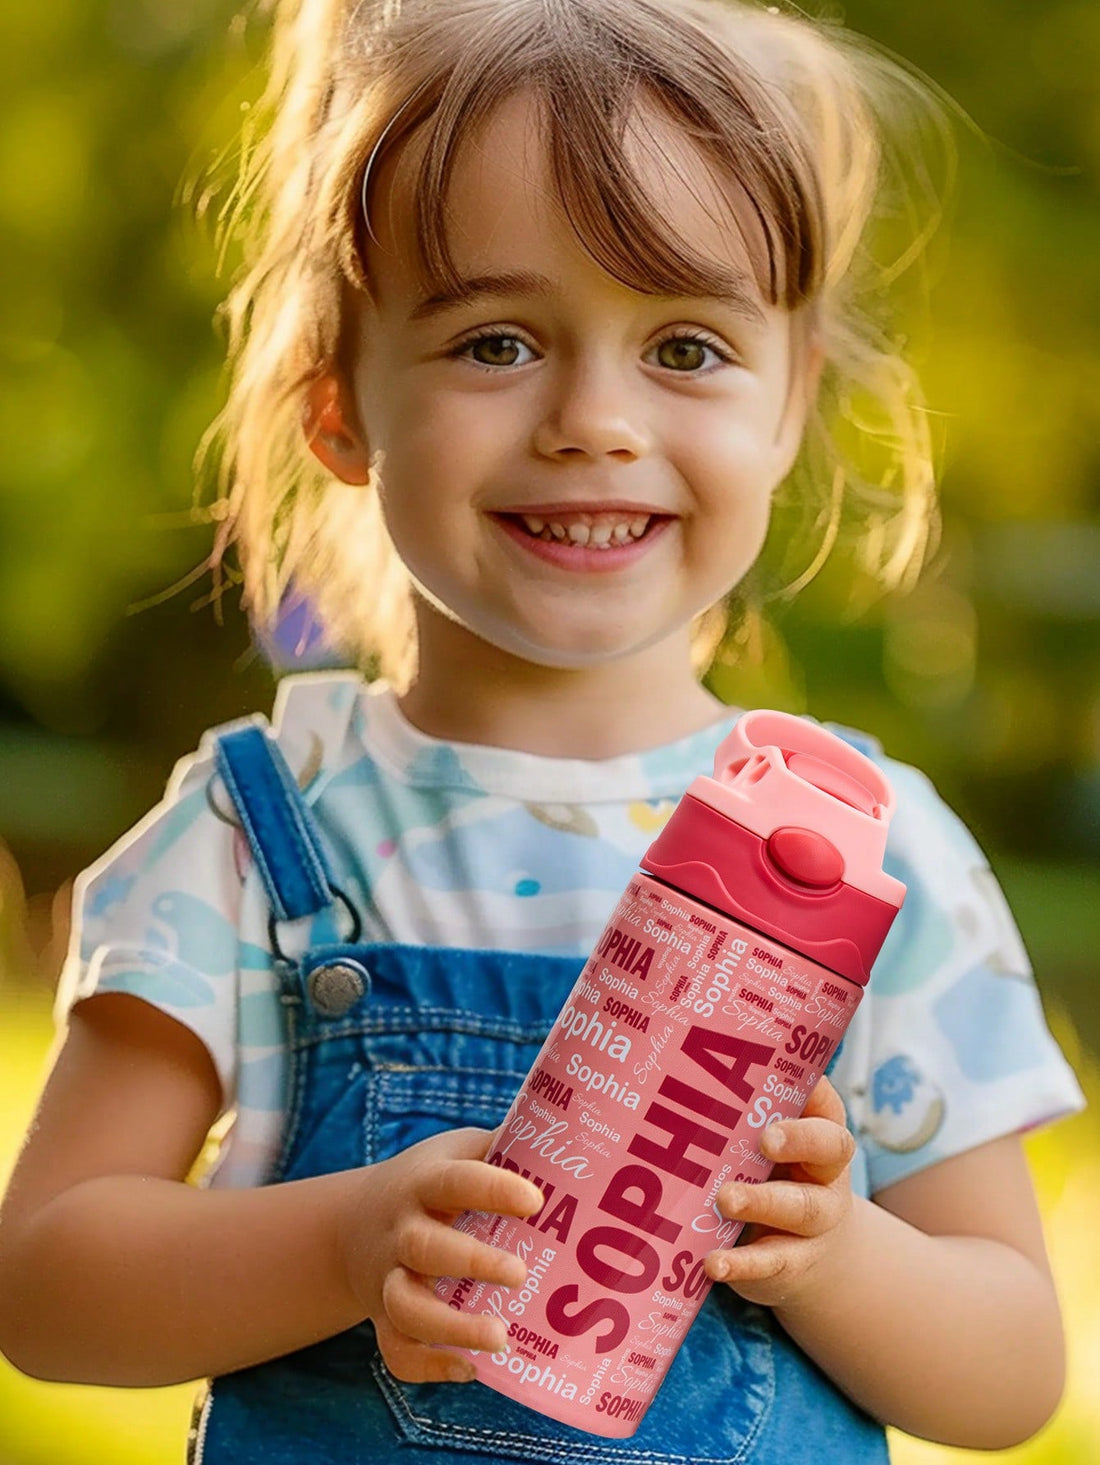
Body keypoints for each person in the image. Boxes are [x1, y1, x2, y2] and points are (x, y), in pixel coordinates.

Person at [0, 1, 1085, 1461]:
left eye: (688, 346)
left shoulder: (863, 853)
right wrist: (339, 1247)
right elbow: (48, 1287)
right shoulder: (258, 833)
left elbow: (1013, 1368)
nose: (595, 418)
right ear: (339, 398)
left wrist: (839, 1256)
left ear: (789, 404)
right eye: (498, 340)